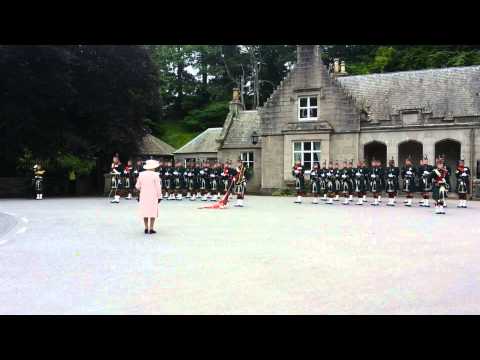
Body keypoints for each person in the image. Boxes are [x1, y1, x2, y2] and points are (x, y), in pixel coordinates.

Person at [135, 159, 162, 234]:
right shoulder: (156, 175)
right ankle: (151, 228)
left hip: (143, 195)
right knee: (152, 211)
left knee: (145, 211)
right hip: (153, 195)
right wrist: (159, 196)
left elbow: (137, 186)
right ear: (153, 167)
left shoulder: (141, 174)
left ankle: (146, 228)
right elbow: (158, 187)